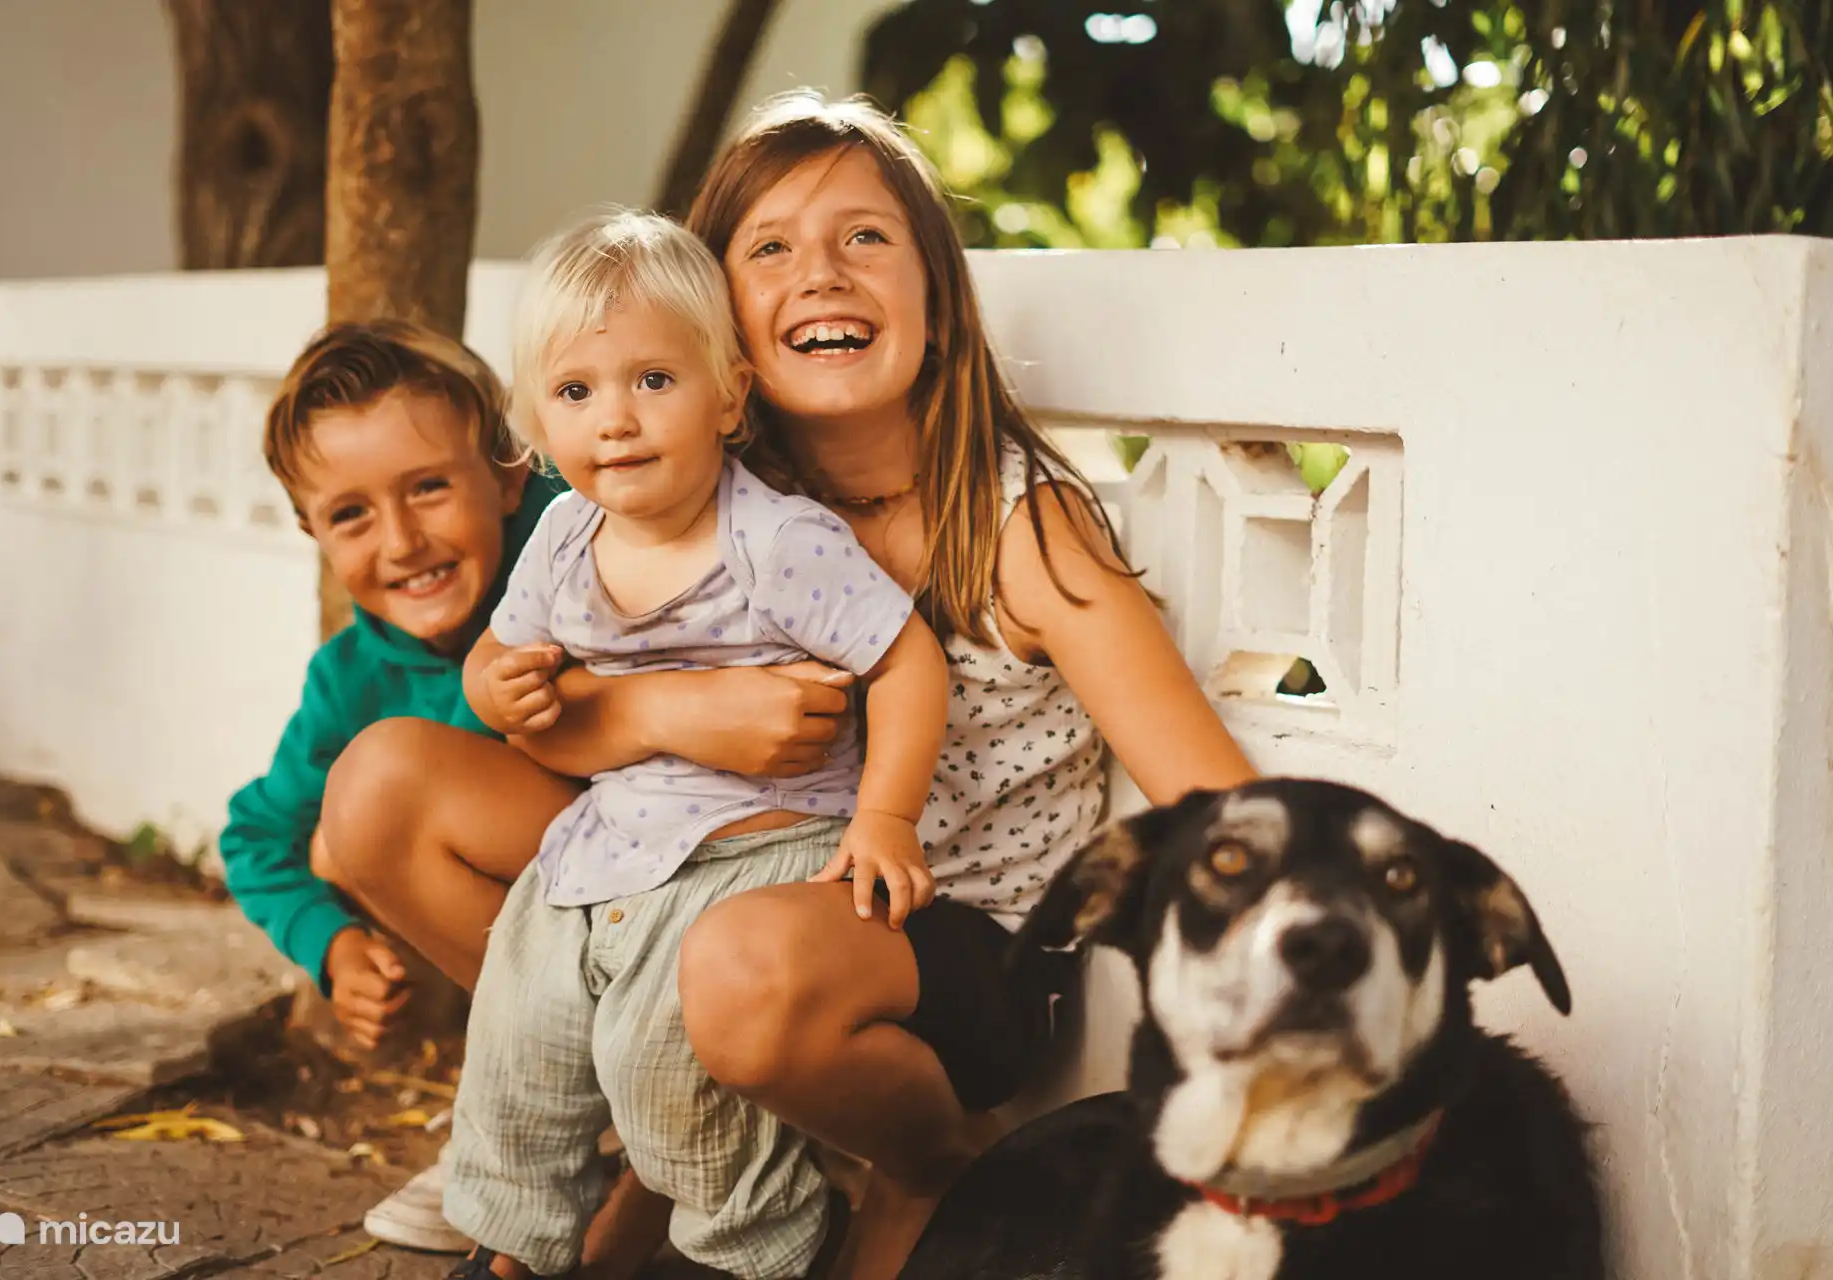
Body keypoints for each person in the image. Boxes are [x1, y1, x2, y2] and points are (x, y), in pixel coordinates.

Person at [321, 91, 1258, 1280]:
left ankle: (919, 1162)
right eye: (769, 248)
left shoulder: (1016, 523)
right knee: (380, 789)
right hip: (696, 865)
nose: (821, 273)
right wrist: (668, 712)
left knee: (735, 961)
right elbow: (550, 729)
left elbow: (1214, 803)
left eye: (866, 238)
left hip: (940, 931)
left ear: (936, 293)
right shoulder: (685, 478)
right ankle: (649, 1124)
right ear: (716, 326)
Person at [439, 208, 948, 1280]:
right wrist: (497, 682)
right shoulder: (565, 534)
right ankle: (513, 1245)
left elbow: (906, 659)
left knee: (666, 1072)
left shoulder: (774, 539)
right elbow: (498, 652)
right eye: (577, 392)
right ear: (536, 423)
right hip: (598, 845)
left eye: (652, 382)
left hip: (750, 855)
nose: (614, 420)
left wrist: (886, 815)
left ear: (728, 392)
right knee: (515, 1043)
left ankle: (749, 1251)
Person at [215, 319, 560, 1253]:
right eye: (352, 514)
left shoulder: (584, 554)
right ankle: (563, 1093)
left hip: (672, 868)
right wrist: (329, 945)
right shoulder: (349, 680)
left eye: (430, 488)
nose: (403, 541)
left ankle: (547, 1104)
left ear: (509, 472)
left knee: (374, 801)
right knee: (349, 814)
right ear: (312, 533)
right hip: (560, 941)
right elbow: (256, 837)